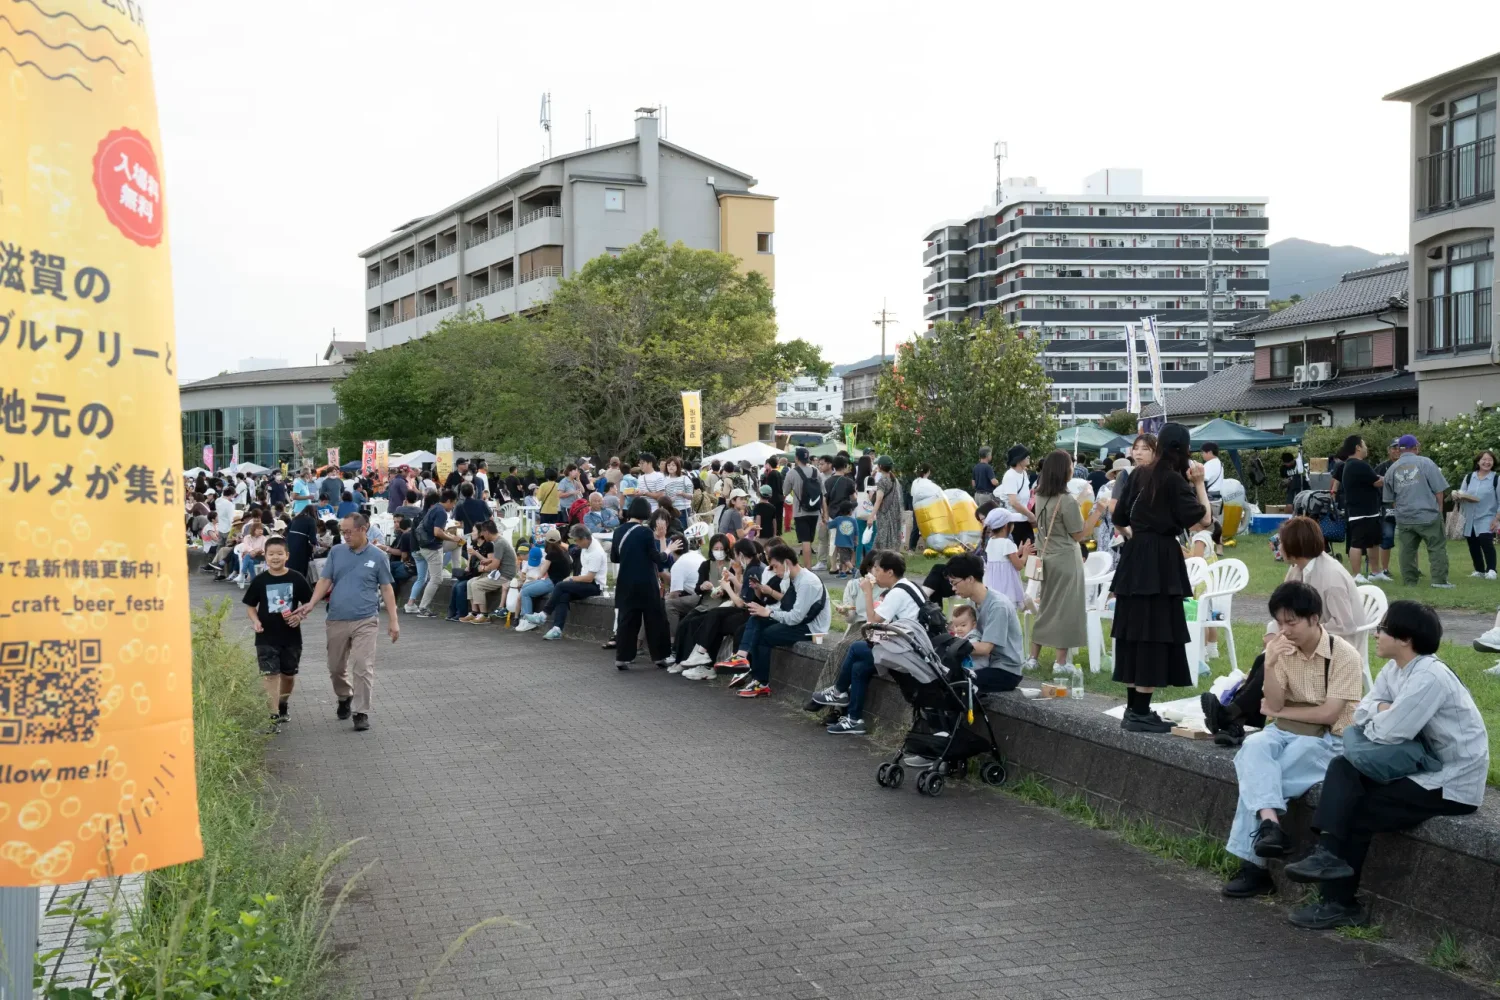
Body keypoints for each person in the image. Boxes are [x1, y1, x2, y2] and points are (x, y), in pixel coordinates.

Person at [1281, 601, 1487, 929]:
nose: (1375, 634)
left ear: (1405, 639)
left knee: (1358, 811)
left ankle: (1341, 904)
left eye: (1382, 628)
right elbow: (1361, 711)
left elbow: (1390, 733)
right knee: (1343, 767)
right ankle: (1327, 854)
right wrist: (1383, 710)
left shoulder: (1430, 677)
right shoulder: (1396, 669)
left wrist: (1378, 715)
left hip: (1451, 783)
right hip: (1417, 766)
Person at [1218, 582, 1364, 900]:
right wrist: (1269, 664)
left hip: (1330, 740)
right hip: (1282, 730)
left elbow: (1329, 714)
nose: (1284, 630)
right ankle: (1270, 826)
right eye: (1279, 622)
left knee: (1264, 776)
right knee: (1253, 748)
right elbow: (1272, 701)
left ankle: (1253, 869)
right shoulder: (1283, 650)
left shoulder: (1344, 655)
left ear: (1314, 618)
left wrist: (1284, 710)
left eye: (1291, 622)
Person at [1108, 423, 1211, 732]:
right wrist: (1200, 484)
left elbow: (1118, 518)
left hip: (1134, 556)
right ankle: (1140, 712)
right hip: (1161, 561)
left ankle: (1133, 708)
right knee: (1154, 631)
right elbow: (1203, 519)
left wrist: (1139, 535)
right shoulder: (1174, 481)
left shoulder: (1139, 474)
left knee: (1134, 632)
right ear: (1183, 449)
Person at [290, 513, 399, 732]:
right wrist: (311, 603)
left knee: (362, 665)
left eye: (349, 531)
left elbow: (387, 588)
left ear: (363, 529)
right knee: (335, 667)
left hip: (366, 618)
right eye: (343, 531)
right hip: (337, 617)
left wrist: (393, 620)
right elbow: (325, 579)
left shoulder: (378, 556)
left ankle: (361, 712)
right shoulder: (337, 552)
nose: (345, 536)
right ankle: (344, 696)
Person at [815, 550, 923, 733]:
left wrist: (867, 591)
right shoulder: (908, 586)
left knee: (856, 647)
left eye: (877, 568)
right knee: (859, 667)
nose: (873, 573)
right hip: (904, 642)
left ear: (889, 572)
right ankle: (854, 720)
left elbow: (872, 621)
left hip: (908, 651)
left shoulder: (897, 592)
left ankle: (838, 691)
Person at [1027, 450, 1101, 673]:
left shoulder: (1040, 495)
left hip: (1046, 556)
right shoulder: (1066, 500)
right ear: (1064, 470)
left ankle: (1033, 657)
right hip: (1067, 558)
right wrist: (1097, 512)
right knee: (1068, 609)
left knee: (1046, 607)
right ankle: (1061, 662)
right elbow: (1080, 534)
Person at [732, 543, 829, 700]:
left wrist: (769, 612)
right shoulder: (793, 578)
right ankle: (741, 657)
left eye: (775, 567)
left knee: (766, 635)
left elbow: (796, 617)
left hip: (812, 627)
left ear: (787, 563)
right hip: (799, 621)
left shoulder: (807, 582)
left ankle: (761, 683)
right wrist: (765, 611)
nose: (774, 571)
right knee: (757, 618)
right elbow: (787, 608)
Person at [242, 536, 314, 732]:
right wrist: (256, 621)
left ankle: (283, 705)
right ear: (264, 556)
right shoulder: (260, 580)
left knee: (288, 676)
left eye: (279, 554)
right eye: (271, 554)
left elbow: (308, 604)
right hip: (265, 636)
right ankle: (272, 716)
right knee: (270, 676)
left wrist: (299, 617)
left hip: (291, 636)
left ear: (287, 556)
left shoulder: (296, 578)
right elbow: (250, 606)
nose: (275, 557)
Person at [679, 538, 768, 678]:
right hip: (750, 610)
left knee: (715, 621)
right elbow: (745, 592)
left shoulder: (753, 570)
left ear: (741, 555)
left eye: (736, 555)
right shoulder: (756, 566)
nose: (735, 559)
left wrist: (727, 587)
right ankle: (702, 656)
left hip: (751, 613)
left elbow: (740, 602)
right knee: (714, 615)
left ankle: (706, 662)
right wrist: (734, 578)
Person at [612, 498, 682, 669]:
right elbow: (658, 558)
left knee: (627, 621)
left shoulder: (618, 531)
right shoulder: (644, 532)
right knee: (655, 619)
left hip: (625, 582)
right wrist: (668, 549)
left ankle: (622, 657)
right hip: (646, 582)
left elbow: (615, 557)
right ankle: (660, 656)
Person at [1278, 516, 1362, 644]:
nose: (1279, 547)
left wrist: (1305, 630)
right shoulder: (1297, 568)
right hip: (1309, 641)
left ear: (1294, 545)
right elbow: (1284, 608)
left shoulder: (1332, 577)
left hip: (1338, 650)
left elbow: (1345, 625)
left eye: (1282, 542)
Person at [1383, 435, 1450, 588]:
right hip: (1428, 515)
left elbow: (1390, 497)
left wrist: (1399, 511)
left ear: (1399, 449)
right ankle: (1439, 582)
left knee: (1407, 551)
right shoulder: (1426, 462)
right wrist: (1439, 510)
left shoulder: (1392, 468)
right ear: (1416, 447)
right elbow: (1439, 490)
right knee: (1436, 547)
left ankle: (1410, 582)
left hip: (1404, 517)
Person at [539, 523, 609, 639]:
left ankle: (544, 613)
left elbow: (589, 578)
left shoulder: (596, 552)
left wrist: (572, 578)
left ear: (585, 539)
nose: (576, 544)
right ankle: (557, 629)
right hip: (584, 582)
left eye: (577, 541)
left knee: (561, 585)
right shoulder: (586, 546)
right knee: (563, 595)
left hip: (594, 586)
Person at [1331, 435, 1384, 583]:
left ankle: (1375, 572)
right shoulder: (1358, 464)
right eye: (1364, 444)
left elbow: (1372, 478)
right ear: (1358, 447)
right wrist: (1389, 479)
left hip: (1370, 511)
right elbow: (1377, 482)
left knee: (1374, 542)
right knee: (1357, 543)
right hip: (1360, 512)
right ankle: (1356, 575)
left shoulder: (1352, 464)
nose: (1366, 448)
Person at [413, 489, 461, 618]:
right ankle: (423, 608)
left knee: (433, 577)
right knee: (436, 579)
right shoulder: (441, 512)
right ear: (449, 501)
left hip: (425, 545)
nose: (453, 506)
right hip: (432, 547)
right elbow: (437, 532)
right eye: (454, 503)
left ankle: (457, 572)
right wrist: (452, 538)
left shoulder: (434, 508)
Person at [1456, 449, 1500, 580]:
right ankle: (1479, 570)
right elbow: (1462, 492)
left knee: (1486, 541)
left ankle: (1491, 570)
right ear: (1478, 461)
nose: (1487, 462)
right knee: (1473, 543)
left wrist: (1496, 519)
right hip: (1470, 516)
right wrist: (1458, 495)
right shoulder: (1469, 477)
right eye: (1484, 460)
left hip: (1488, 515)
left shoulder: (1496, 479)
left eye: (1490, 460)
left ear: (1493, 463)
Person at [515, 530, 572, 631]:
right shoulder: (565, 551)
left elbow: (541, 573)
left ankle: (527, 619)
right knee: (526, 586)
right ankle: (525, 617)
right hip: (560, 581)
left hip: (552, 583)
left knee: (525, 591)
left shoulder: (551, 554)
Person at [461, 521, 516, 623]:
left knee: (477, 585)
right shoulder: (498, 541)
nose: (481, 535)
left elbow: (495, 565)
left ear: (487, 532)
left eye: (482, 533)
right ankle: (474, 613)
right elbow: (498, 560)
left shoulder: (499, 543)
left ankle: (484, 615)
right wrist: (488, 561)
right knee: (470, 583)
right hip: (499, 573)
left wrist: (484, 568)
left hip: (504, 576)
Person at [663, 531, 708, 645]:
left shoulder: (678, 565)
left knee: (669, 604)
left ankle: (673, 641)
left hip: (699, 597)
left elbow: (674, 593)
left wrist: (667, 597)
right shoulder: (695, 554)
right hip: (707, 594)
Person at [982, 508, 1031, 607]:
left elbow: (1003, 560)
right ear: (1006, 526)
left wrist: (1018, 552)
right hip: (1007, 589)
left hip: (993, 587)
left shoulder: (991, 541)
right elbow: (1019, 566)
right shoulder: (1007, 543)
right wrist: (1025, 554)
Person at [787, 447, 825, 570]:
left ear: (796, 458)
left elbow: (785, 491)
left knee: (805, 540)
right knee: (810, 538)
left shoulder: (792, 472)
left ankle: (807, 568)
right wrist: (824, 512)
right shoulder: (816, 472)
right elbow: (823, 493)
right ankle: (808, 566)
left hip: (800, 512)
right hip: (815, 511)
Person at [1371, 439, 1400, 581]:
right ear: (1389, 450)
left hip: (1406, 506)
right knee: (1387, 537)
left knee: (1411, 537)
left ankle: (1414, 568)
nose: (1396, 451)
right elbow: (1372, 484)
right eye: (1394, 448)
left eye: (1399, 448)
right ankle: (1385, 569)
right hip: (1386, 507)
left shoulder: (1408, 466)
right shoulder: (1381, 467)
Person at [998, 446, 1037, 547]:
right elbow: (1013, 502)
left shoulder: (1024, 473)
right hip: (1014, 522)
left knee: (1031, 551)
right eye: (1026, 456)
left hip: (1024, 519)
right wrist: (1030, 514)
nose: (1028, 457)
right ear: (1019, 459)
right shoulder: (1010, 476)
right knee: (1019, 553)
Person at [870, 455, 904, 553]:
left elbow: (879, 499)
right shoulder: (895, 480)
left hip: (884, 515)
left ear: (880, 466)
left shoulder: (882, 481)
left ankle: (881, 561)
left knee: (882, 540)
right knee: (892, 539)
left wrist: (871, 516)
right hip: (895, 515)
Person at [661, 456, 695, 530]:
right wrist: (669, 500)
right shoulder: (664, 481)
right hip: (671, 510)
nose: (671, 467)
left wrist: (682, 494)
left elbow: (692, 496)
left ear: (678, 466)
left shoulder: (684, 478)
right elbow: (664, 497)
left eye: (673, 465)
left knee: (684, 531)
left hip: (684, 510)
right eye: (669, 465)